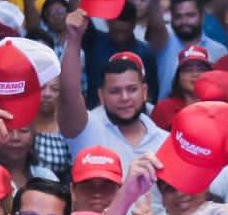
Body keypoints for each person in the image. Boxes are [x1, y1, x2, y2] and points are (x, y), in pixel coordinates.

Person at [58, 10, 168, 174]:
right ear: (101, 96)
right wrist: (74, 39)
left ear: (144, 92)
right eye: (115, 91)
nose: (124, 98)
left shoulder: (166, 141)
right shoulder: (87, 128)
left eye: (132, 89)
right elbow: (69, 95)